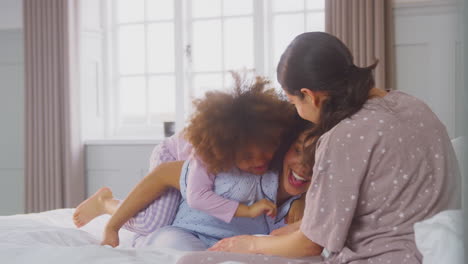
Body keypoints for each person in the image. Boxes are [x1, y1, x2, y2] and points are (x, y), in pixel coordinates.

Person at [181, 32, 460, 264]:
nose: (298, 112)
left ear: (309, 96)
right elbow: (377, 205)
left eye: (294, 103)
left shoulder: (343, 136)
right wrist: (286, 233)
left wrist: (250, 243)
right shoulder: (412, 104)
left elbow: (310, 245)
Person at [73, 73, 306, 246]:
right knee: (153, 222)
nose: (260, 162)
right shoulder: (206, 157)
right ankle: (106, 204)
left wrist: (298, 200)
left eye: (268, 149)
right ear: (227, 151)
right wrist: (247, 210)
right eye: (246, 157)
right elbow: (198, 197)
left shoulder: (266, 144)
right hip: (171, 155)